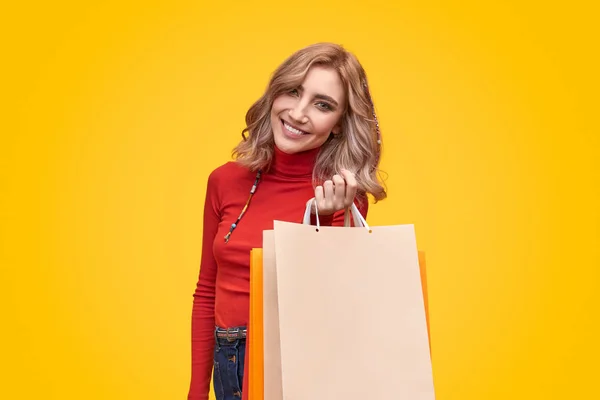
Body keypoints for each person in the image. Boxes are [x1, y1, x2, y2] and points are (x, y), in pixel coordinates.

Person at [187, 42, 386, 400]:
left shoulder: (341, 195)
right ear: (275, 93)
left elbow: (333, 310)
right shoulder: (224, 181)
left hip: (295, 369)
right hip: (228, 363)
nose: (298, 112)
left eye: (322, 104)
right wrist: (196, 391)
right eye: (293, 91)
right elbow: (206, 290)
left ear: (339, 125)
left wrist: (324, 224)